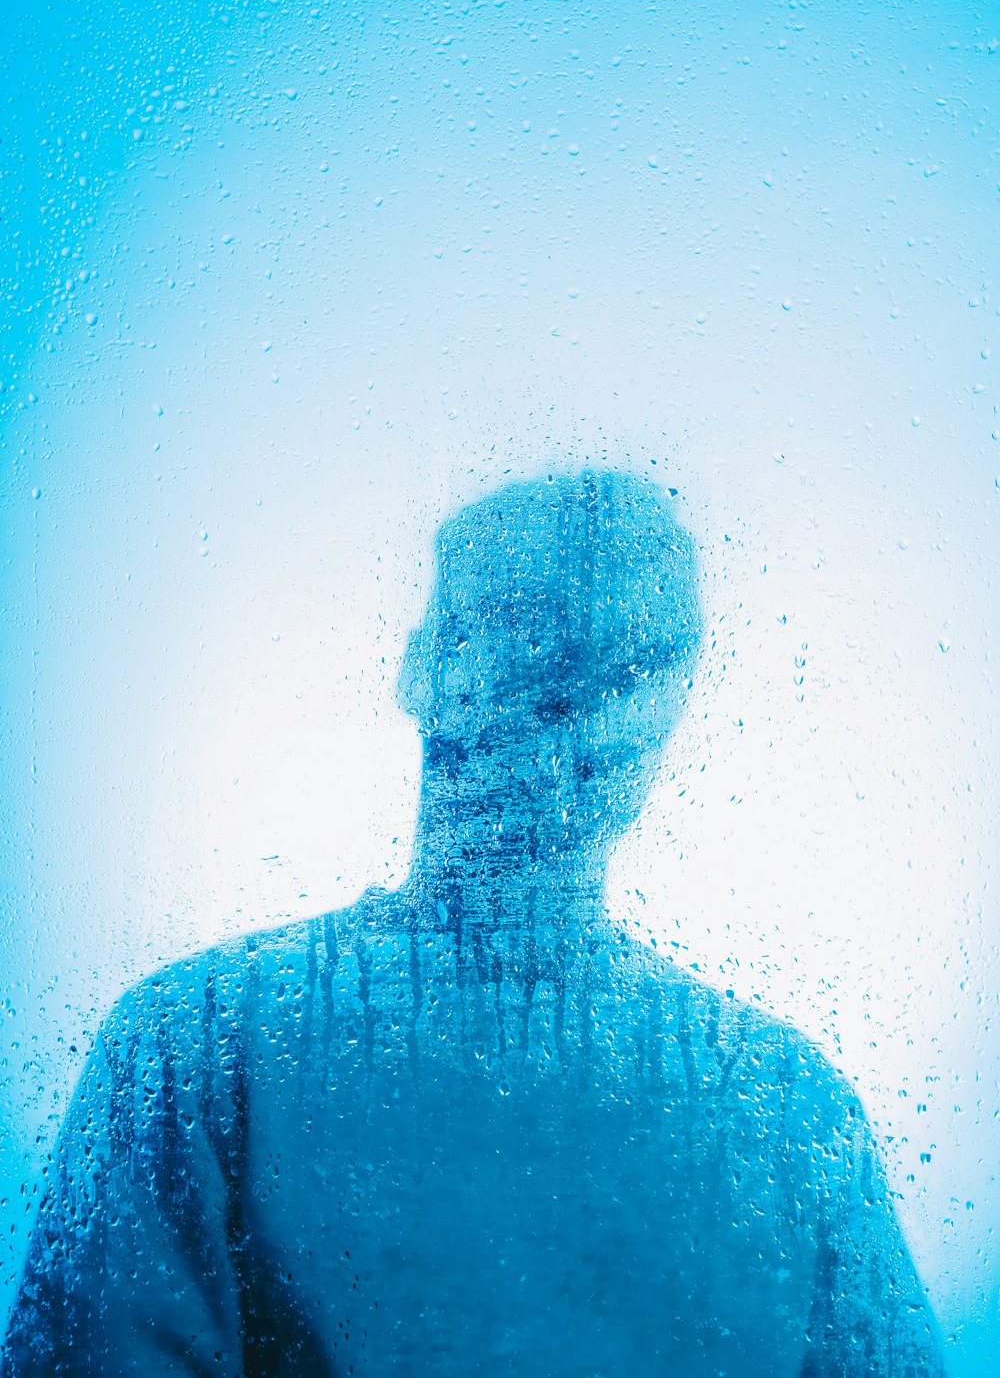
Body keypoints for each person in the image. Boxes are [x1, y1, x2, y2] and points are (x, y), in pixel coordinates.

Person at [5, 471, 945, 1376]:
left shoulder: (198, 1044)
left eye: (625, 667)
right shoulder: (782, 1108)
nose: (577, 709)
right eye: (540, 640)